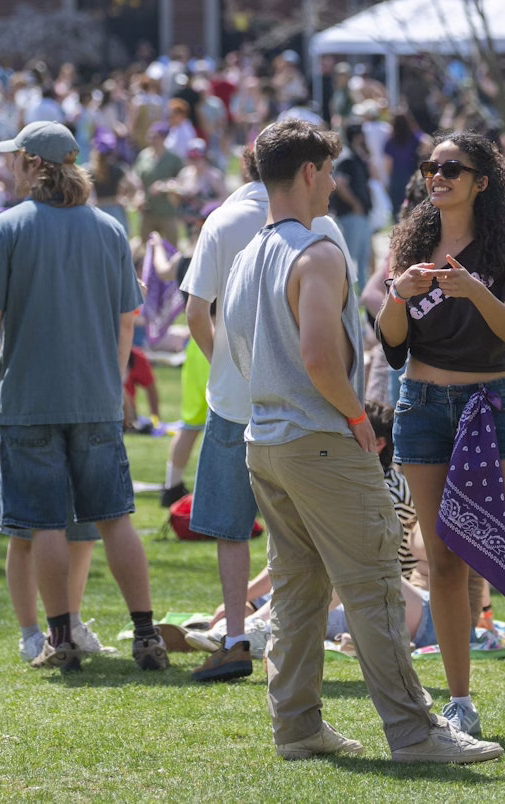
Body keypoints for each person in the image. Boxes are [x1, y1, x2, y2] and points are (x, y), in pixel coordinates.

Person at [222, 120, 501, 764]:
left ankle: (297, 728)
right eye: (331, 170)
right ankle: (414, 731)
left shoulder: (246, 256)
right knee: (375, 580)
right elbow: (322, 357)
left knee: (298, 591)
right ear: (310, 173)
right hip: (316, 439)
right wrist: (354, 419)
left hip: (265, 440)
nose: (336, 184)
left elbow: (234, 349)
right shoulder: (317, 252)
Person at [378, 130, 505, 748]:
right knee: (442, 558)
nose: (437, 177)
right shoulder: (410, 241)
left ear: (482, 181)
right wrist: (398, 293)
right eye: (431, 167)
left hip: (489, 403)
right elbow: (392, 343)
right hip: (420, 405)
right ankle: (460, 703)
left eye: (452, 168)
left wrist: (474, 289)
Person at [0, 122, 162, 673]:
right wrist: (111, 380)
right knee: (116, 517)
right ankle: (146, 633)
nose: (5, 168)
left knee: (45, 523)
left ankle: (59, 638)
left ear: (31, 164)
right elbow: (129, 321)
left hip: (29, 397)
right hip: (95, 395)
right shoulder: (109, 229)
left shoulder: (6, 228)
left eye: (13, 159)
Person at [179, 145, 352, 683]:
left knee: (234, 529)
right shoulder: (324, 228)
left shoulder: (225, 220)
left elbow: (195, 311)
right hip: (304, 402)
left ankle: (236, 634)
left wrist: (234, 366)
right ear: (306, 171)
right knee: (310, 532)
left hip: (236, 399)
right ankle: (289, 636)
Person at [330, 123, 376, 278]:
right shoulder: (347, 158)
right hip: (351, 215)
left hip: (361, 215)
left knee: (364, 260)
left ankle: (362, 299)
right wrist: (355, 204)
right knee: (349, 259)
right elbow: (340, 184)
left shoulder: (357, 157)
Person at [133, 123, 184, 243]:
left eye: (155, 137)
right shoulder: (144, 156)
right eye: (150, 136)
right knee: (145, 246)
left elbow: (182, 181)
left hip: (167, 211)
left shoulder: (174, 158)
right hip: (148, 210)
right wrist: (138, 195)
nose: (151, 140)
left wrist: (165, 186)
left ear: (164, 139)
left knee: (171, 247)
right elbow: (137, 178)